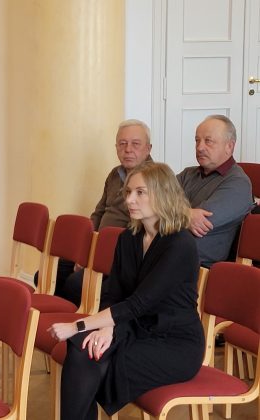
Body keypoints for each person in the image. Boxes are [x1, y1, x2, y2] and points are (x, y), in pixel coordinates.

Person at [48, 161, 204, 420]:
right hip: (134, 326)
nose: (130, 200)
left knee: (95, 358)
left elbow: (139, 303)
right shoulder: (128, 238)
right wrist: (106, 328)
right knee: (83, 348)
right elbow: (115, 294)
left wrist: (77, 326)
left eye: (140, 192)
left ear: (163, 194)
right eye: (128, 192)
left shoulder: (180, 244)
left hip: (174, 342)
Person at [56, 119, 153, 305]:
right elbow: (98, 213)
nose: (128, 149)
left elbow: (140, 230)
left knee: (74, 285)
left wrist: (94, 256)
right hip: (97, 247)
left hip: (120, 256)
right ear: (116, 147)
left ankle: (85, 317)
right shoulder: (115, 174)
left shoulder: (153, 180)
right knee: (48, 274)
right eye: (122, 144)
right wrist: (85, 249)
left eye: (135, 144)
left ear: (148, 148)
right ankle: (64, 314)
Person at [178, 114, 253, 267]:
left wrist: (168, 211)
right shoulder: (187, 174)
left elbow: (202, 222)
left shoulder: (238, 183)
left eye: (208, 141)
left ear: (229, 146)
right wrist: (185, 214)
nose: (200, 147)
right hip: (163, 253)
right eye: (197, 140)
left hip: (195, 267)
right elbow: (151, 201)